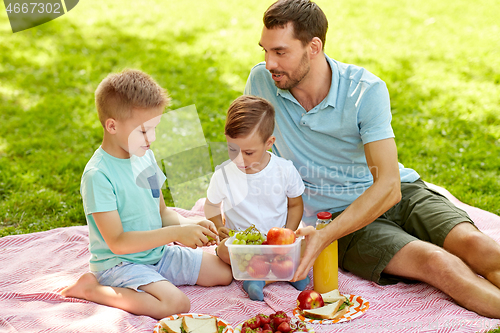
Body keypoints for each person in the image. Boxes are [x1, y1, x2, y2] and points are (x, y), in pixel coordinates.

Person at [244, 0, 500, 318]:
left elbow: (390, 186)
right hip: (337, 216)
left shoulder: (365, 90)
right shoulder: (261, 82)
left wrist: (322, 239)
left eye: (280, 52)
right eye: (265, 50)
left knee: (479, 247)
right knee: (438, 262)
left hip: (399, 192)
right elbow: (249, 153)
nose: (269, 63)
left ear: (313, 46)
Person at [61, 69, 233, 320]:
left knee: (223, 273)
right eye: (143, 131)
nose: (151, 138)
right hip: (119, 264)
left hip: (157, 254)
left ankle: (152, 281)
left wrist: (192, 225)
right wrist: (176, 234)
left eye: (154, 128)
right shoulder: (98, 175)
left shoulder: (145, 157)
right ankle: (92, 289)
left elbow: (161, 212)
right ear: (112, 125)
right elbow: (117, 242)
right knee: (175, 304)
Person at [203, 95, 309, 301]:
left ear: (269, 143)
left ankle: (263, 276)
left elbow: (295, 204)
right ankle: (279, 275)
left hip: (277, 243)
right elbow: (211, 205)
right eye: (232, 149)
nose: (239, 158)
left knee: (309, 244)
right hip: (243, 246)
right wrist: (218, 227)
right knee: (223, 251)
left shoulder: (284, 170)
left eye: (249, 152)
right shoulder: (224, 173)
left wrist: (289, 231)